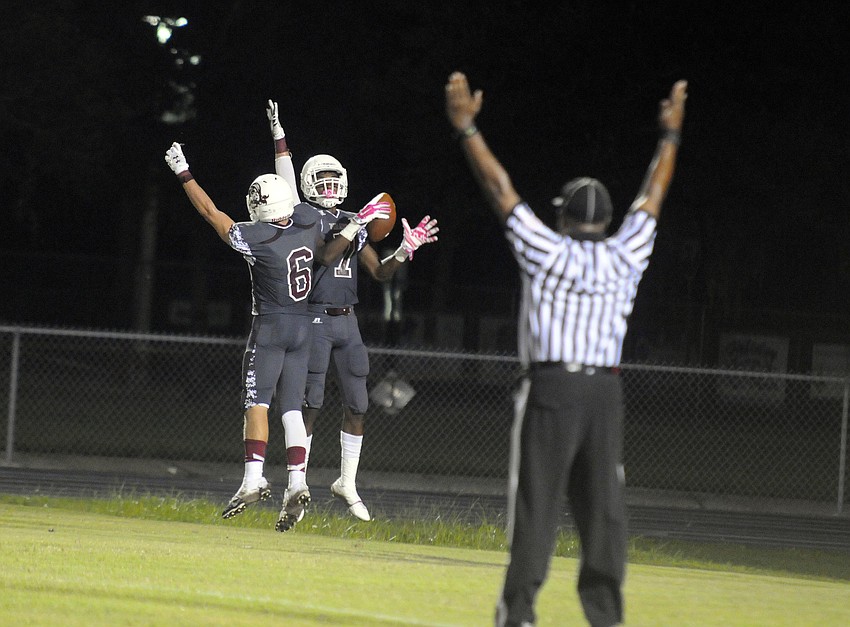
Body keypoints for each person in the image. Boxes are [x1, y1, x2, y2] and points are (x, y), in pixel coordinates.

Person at [445, 72, 687, 627]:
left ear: (563, 215)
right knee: (604, 511)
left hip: (551, 388)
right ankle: (605, 616)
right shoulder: (626, 255)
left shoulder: (546, 251)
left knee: (536, 504)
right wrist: (669, 137)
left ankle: (520, 614)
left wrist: (467, 130)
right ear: (604, 220)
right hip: (605, 390)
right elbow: (653, 195)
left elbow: (500, 189)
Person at [163, 142, 390, 532]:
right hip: (304, 327)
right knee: (292, 409)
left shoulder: (255, 237)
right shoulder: (307, 227)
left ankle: (253, 478)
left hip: (270, 326)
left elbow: (209, 212)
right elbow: (296, 196)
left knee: (257, 403)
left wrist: (184, 172)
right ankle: (297, 482)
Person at [265, 100, 439, 521]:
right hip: (314, 320)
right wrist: (355, 221)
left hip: (349, 322)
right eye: (320, 181)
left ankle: (346, 481)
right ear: (307, 185)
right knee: (311, 403)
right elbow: (324, 256)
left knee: (359, 402)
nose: (328, 187)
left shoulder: (352, 219)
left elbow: (378, 272)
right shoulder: (303, 217)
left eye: (333, 181)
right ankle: (297, 484)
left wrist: (406, 248)